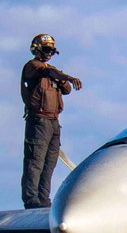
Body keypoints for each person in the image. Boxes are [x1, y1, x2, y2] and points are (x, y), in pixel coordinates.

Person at [21, 34, 82, 209]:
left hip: (53, 121)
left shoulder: (52, 71)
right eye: (47, 50)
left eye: (52, 51)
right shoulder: (32, 67)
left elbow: (67, 90)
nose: (50, 54)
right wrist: (66, 76)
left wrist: (62, 79)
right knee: (36, 160)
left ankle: (43, 198)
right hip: (39, 121)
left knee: (50, 162)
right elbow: (45, 71)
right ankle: (31, 198)